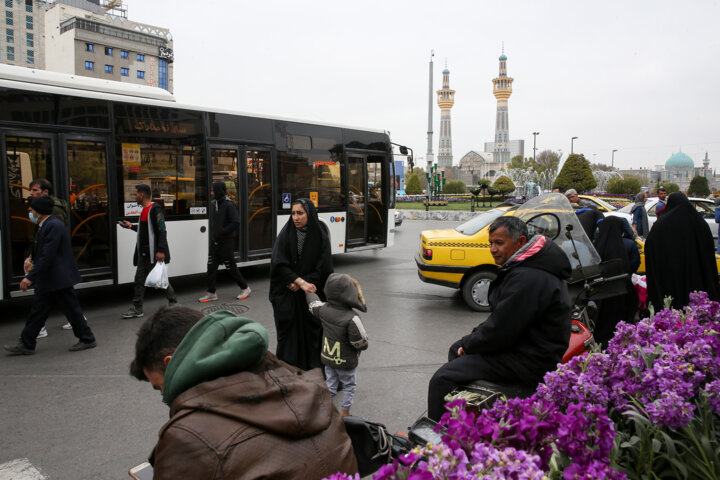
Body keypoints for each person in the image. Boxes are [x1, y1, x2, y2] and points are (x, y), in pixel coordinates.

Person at [129, 305, 358, 479]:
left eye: (160, 387)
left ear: (171, 364)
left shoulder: (185, 436)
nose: (165, 397)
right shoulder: (302, 380)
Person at [427, 216, 571, 421]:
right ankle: (468, 412)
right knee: (457, 349)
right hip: (526, 346)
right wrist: (470, 340)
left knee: (442, 378)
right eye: (491, 243)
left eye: (499, 243)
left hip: (529, 358)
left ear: (520, 241)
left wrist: (469, 345)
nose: (493, 249)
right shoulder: (529, 267)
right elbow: (503, 319)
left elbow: (501, 330)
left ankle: (438, 439)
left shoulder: (529, 277)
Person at [4, 196, 97, 355]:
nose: (30, 211)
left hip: (58, 278)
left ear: (39, 212)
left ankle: (87, 338)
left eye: (32, 209)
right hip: (52, 278)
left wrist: (30, 277)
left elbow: (48, 255)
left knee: (70, 310)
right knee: (39, 311)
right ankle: (27, 343)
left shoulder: (53, 225)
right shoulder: (46, 225)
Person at [269, 198, 333, 370]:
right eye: (293, 213)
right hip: (288, 293)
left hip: (310, 294)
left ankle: (314, 371)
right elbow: (278, 263)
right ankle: (289, 371)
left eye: (300, 213)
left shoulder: (320, 235)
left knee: (313, 332)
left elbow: (323, 268)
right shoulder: (286, 234)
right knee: (289, 335)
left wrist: (303, 283)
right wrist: (297, 281)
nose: (296, 217)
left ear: (309, 214)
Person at [306, 273, 369, 417]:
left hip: (328, 358)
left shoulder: (324, 310)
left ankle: (323, 408)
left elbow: (313, 305)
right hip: (345, 361)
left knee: (330, 384)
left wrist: (309, 292)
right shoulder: (352, 318)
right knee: (349, 386)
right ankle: (345, 412)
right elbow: (361, 342)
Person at [645, 192, 720, 311]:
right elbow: (708, 254)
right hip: (696, 278)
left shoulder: (661, 225)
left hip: (669, 280)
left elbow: (650, 249)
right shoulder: (700, 223)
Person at [119, 184, 177, 319]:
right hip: (144, 253)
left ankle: (174, 301)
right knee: (139, 280)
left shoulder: (155, 209)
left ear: (141, 195)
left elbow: (162, 230)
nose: (134, 196)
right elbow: (144, 231)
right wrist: (131, 226)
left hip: (153, 253)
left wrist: (161, 250)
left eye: (135, 194)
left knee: (161, 279)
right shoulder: (145, 210)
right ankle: (137, 308)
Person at [25, 178, 73, 336]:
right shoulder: (42, 208)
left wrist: (32, 272)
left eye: (35, 190)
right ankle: (79, 325)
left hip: (53, 260)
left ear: (45, 192)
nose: (31, 193)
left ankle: (36, 330)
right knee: (61, 295)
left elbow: (53, 239)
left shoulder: (53, 212)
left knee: (46, 295)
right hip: (50, 260)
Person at [197, 182, 251, 303]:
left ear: (218, 191)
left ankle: (245, 288)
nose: (211, 193)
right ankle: (211, 292)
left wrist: (222, 231)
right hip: (215, 241)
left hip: (226, 242)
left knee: (230, 266)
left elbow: (235, 222)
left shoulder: (228, 204)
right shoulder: (215, 203)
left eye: (213, 191)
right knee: (211, 266)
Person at [592, 216, 640, 346]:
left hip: (598, 293)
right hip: (619, 292)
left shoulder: (595, 246)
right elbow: (632, 265)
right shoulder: (624, 245)